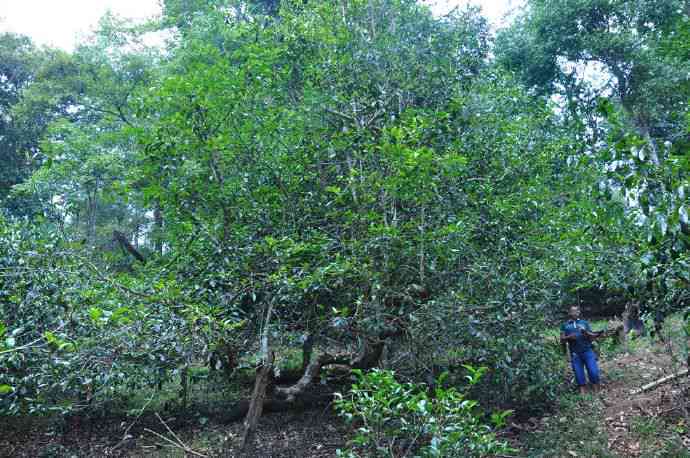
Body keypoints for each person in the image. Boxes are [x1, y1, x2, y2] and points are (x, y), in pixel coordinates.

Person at [560, 306, 602, 394]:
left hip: (587, 351)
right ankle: (583, 396)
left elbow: (592, 337)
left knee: (593, 371)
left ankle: (597, 392)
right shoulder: (565, 325)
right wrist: (569, 337)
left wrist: (585, 332)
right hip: (575, 354)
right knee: (579, 374)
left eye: (577, 311)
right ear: (569, 313)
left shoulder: (584, 323)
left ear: (579, 312)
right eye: (573, 311)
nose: (575, 313)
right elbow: (562, 339)